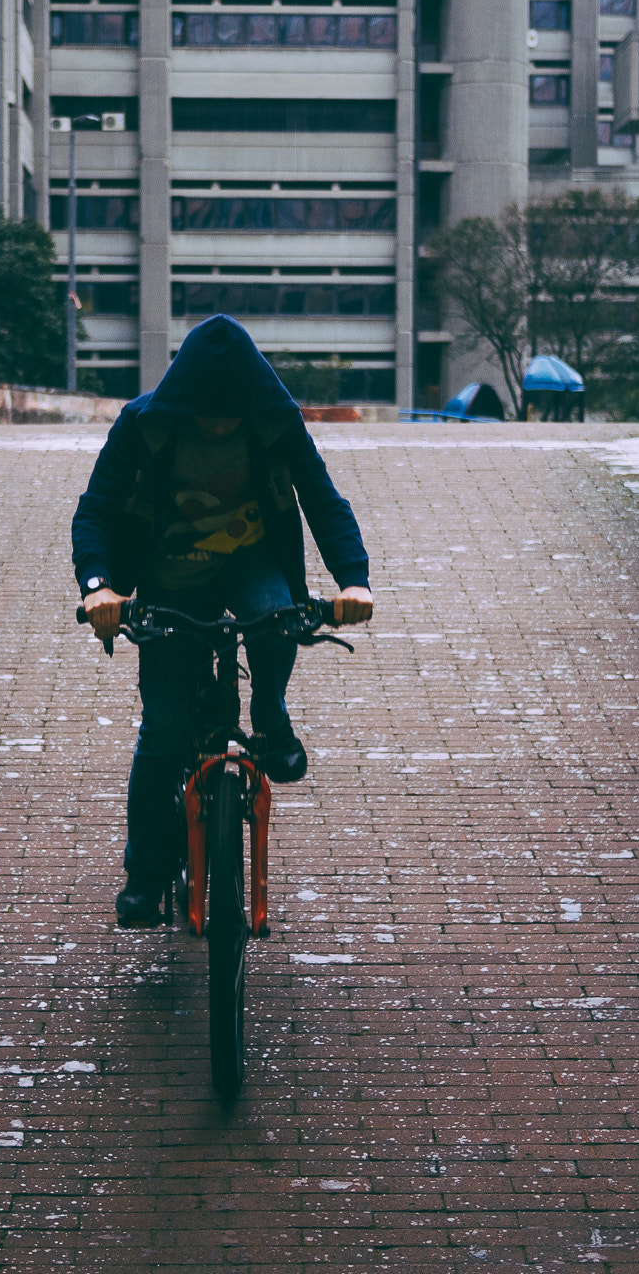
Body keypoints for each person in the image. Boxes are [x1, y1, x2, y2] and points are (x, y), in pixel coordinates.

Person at [72, 315, 373, 927]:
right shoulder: (144, 425)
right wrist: (98, 586)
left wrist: (353, 579)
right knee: (163, 730)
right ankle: (146, 871)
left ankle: (270, 715)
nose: (217, 422)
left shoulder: (273, 423)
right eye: (204, 410)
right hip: (169, 578)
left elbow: (322, 498)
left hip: (250, 561)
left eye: (229, 410)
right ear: (181, 397)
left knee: (276, 614)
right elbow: (96, 509)